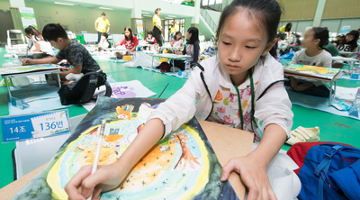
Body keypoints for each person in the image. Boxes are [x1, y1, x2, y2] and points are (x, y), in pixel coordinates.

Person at [65, 1, 300, 200]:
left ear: (267, 46)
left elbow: (278, 117)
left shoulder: (270, 71)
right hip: (208, 143)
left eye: (249, 46)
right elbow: (172, 109)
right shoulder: (206, 71)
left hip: (252, 151)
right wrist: (120, 165)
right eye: (226, 43)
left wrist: (258, 160)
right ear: (218, 37)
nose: (234, 55)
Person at [21, 24, 102, 84]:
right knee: (63, 80)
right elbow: (54, 59)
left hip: (94, 75)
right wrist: (33, 61)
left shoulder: (74, 47)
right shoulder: (66, 47)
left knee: (66, 83)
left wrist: (59, 75)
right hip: (83, 74)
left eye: (52, 43)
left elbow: (76, 70)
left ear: (60, 40)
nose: (53, 46)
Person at [289, 27, 333, 97]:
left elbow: (327, 78)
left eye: (306, 37)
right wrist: (292, 80)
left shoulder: (326, 56)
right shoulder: (298, 54)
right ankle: (296, 88)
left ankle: (297, 90)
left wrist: (308, 85)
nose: (302, 39)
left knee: (327, 92)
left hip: (314, 83)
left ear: (316, 41)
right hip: (297, 80)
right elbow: (290, 71)